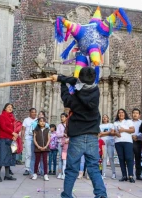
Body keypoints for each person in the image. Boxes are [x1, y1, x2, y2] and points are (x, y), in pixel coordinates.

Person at [51, 67, 107, 198]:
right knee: (93, 168)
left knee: (71, 169)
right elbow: (76, 81)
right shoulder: (96, 92)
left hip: (77, 137)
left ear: (80, 79)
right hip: (92, 136)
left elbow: (66, 97)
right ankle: (101, 195)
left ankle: (67, 195)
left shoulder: (75, 98)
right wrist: (61, 79)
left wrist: (62, 82)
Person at [0, 103, 19, 182]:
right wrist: (12, 133)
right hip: (3, 139)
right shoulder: (2, 116)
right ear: (5, 108)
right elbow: (3, 127)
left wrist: (15, 135)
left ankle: (7, 175)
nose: (10, 108)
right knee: (1, 156)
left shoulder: (13, 118)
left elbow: (15, 127)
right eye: (8, 107)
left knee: (9, 156)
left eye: (11, 107)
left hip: (10, 139)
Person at [114, 109, 136, 183]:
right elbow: (113, 131)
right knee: (121, 159)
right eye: (119, 113)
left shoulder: (128, 121)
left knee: (129, 158)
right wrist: (116, 133)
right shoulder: (115, 123)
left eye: (122, 112)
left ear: (125, 113)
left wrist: (123, 130)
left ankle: (131, 175)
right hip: (118, 142)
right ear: (117, 114)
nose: (121, 114)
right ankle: (124, 175)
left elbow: (133, 130)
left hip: (127, 141)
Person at [29, 110, 48, 176]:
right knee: (34, 158)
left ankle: (43, 172)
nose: (40, 115)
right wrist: (38, 145)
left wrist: (46, 146)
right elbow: (32, 134)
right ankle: (33, 172)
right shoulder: (34, 123)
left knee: (44, 159)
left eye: (42, 114)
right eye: (39, 114)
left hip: (44, 144)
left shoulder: (47, 126)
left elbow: (48, 137)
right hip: (36, 143)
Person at [99, 114, 116, 179]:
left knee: (111, 157)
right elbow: (99, 134)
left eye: (106, 117)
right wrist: (108, 132)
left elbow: (112, 133)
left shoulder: (111, 125)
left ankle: (113, 173)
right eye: (103, 117)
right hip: (103, 143)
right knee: (104, 158)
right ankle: (103, 173)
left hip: (110, 142)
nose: (104, 118)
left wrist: (103, 133)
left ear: (108, 118)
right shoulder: (100, 126)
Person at [21, 108, 37, 176]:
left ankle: (34, 168)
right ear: (29, 113)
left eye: (35, 112)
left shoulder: (37, 120)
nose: (34, 113)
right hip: (28, 138)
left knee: (35, 154)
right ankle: (27, 169)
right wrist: (22, 139)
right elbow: (23, 130)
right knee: (28, 154)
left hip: (36, 139)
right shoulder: (26, 120)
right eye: (32, 112)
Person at [131, 108, 142, 180]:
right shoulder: (129, 122)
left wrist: (137, 136)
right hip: (130, 141)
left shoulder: (141, 122)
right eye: (134, 113)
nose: (135, 114)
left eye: (136, 113)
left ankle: (138, 174)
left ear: (139, 115)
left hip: (138, 141)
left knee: (138, 158)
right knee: (130, 158)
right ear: (132, 114)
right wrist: (131, 136)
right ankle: (130, 174)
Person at [56, 113, 68, 179]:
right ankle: (60, 173)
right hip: (60, 143)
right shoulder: (59, 125)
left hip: (67, 144)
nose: (62, 118)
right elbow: (57, 134)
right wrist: (63, 134)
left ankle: (65, 173)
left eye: (63, 117)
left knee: (66, 159)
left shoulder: (69, 125)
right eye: (61, 117)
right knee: (60, 158)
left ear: (66, 117)